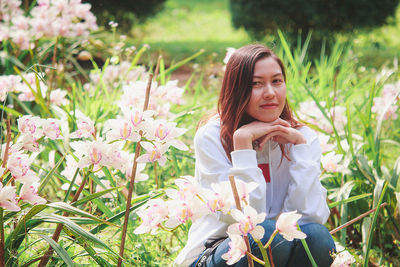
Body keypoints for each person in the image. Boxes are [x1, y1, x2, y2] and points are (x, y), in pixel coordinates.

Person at [174, 44, 335, 267]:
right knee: (262, 234)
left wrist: (300, 148)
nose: (270, 92)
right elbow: (245, 219)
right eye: (255, 84)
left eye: (276, 81)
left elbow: (309, 219)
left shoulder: (302, 137)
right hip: (217, 252)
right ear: (236, 89)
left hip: (278, 250)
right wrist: (242, 145)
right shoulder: (211, 137)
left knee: (317, 237)